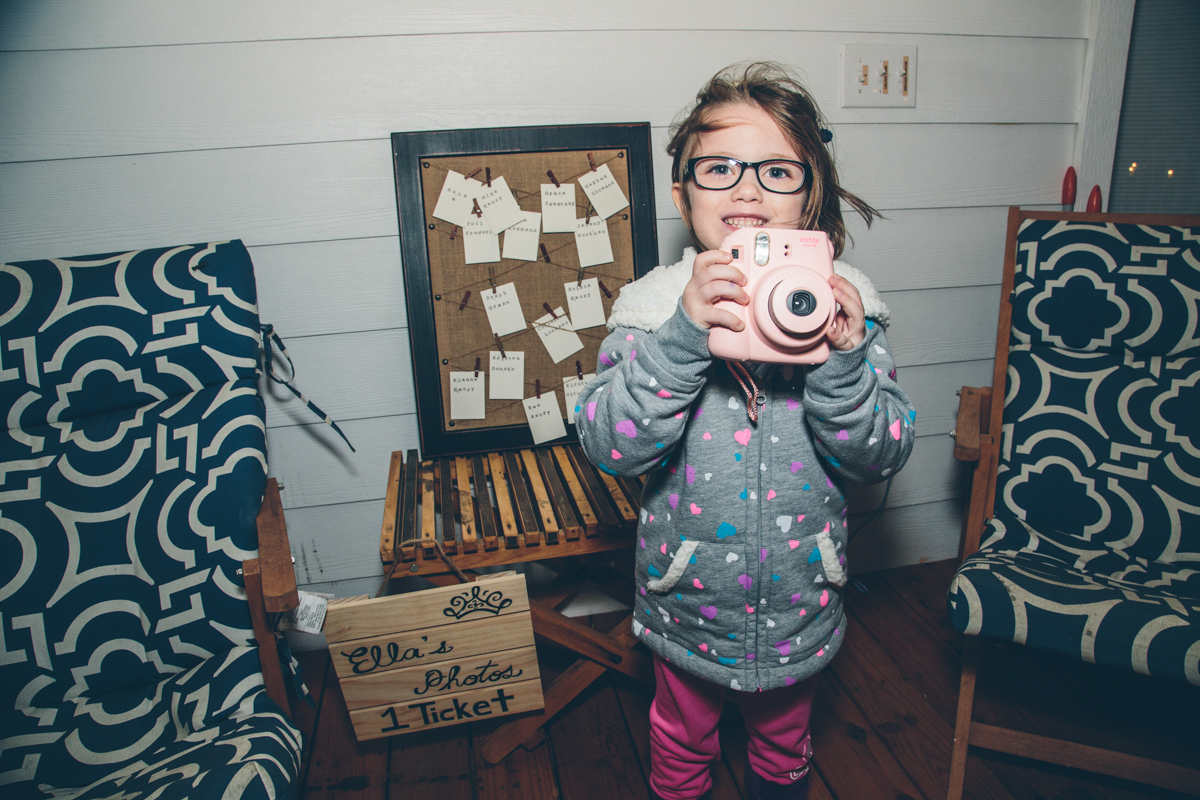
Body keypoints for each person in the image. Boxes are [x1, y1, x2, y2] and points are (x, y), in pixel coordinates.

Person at [574, 62, 915, 800]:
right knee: (679, 744)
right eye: (719, 167)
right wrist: (682, 335)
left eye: (777, 170)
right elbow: (609, 444)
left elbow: (882, 453)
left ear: (810, 194)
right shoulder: (650, 311)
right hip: (688, 596)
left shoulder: (850, 312)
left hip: (801, 600)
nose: (748, 188)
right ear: (681, 193)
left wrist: (841, 358)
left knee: (785, 746)